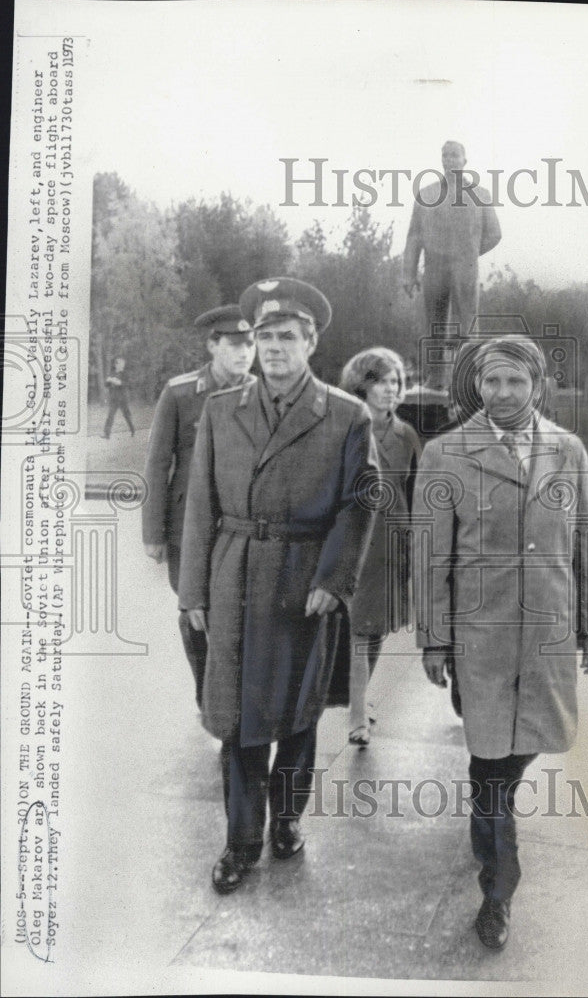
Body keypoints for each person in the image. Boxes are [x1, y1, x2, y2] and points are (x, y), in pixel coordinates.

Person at [178, 277, 378, 895]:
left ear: (311, 342)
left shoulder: (347, 415)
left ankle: (286, 820)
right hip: (233, 577)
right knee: (238, 722)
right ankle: (240, 842)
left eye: (286, 336)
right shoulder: (219, 410)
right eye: (262, 336)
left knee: (296, 717)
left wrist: (335, 578)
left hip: (302, 582)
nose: (273, 348)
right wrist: (193, 593)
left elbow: (361, 501)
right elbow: (198, 506)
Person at [412, 334, 588, 950]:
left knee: (512, 759)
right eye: (491, 382)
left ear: (538, 386)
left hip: (547, 633)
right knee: (488, 763)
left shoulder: (567, 450)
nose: (502, 394)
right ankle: (498, 889)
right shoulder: (446, 454)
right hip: (482, 638)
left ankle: (494, 839)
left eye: (516, 383)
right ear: (477, 386)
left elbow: (586, 540)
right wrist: (434, 639)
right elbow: (429, 555)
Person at [141, 304, 256, 709]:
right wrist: (153, 533)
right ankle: (206, 694)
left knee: (236, 611)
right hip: (186, 526)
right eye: (235, 345)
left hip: (238, 524)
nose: (245, 353)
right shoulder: (180, 393)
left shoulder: (262, 393)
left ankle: (228, 698)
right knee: (194, 610)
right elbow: (157, 462)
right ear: (212, 346)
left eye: (250, 344)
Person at [339, 347, 422, 746]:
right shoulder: (345, 429)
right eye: (380, 381)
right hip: (360, 542)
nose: (390, 389)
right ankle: (357, 715)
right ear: (362, 385)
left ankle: (359, 699)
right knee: (359, 629)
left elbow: (417, 490)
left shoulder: (406, 435)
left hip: (395, 543)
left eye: (395, 381)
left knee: (377, 630)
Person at [402, 141, 501, 390]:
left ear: (465, 160)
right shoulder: (426, 194)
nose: (450, 160)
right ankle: (436, 378)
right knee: (434, 326)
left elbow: (494, 234)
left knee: (466, 325)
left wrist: (468, 254)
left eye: (455, 156)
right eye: (445, 156)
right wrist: (408, 272)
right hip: (434, 268)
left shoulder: (480, 195)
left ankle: (468, 379)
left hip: (464, 269)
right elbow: (414, 235)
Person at [102, 356, 135, 438]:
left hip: (123, 398)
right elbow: (106, 385)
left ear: (123, 365)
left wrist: (120, 383)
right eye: (117, 363)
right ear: (115, 365)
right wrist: (108, 381)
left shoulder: (126, 374)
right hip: (114, 398)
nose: (119, 365)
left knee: (126, 415)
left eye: (120, 364)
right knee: (110, 415)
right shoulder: (112, 373)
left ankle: (132, 429)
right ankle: (107, 434)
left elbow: (129, 384)